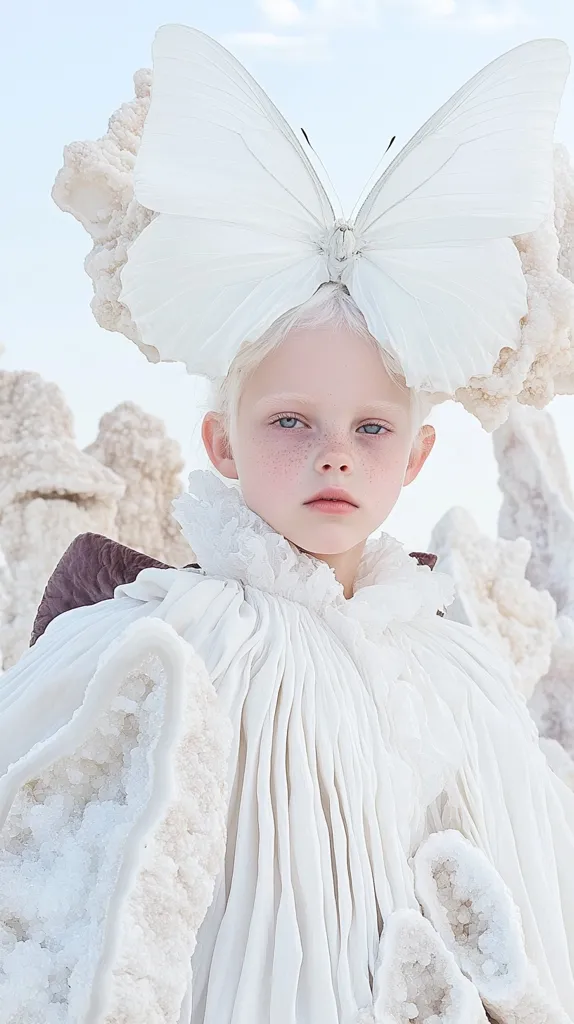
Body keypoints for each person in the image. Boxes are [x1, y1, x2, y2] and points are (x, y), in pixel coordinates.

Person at [1, 23, 573, 1024]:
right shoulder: (175, 634)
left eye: (369, 427)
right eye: (290, 422)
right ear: (222, 444)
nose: (333, 453)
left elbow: (525, 872)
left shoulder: (454, 667)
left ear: (415, 458)